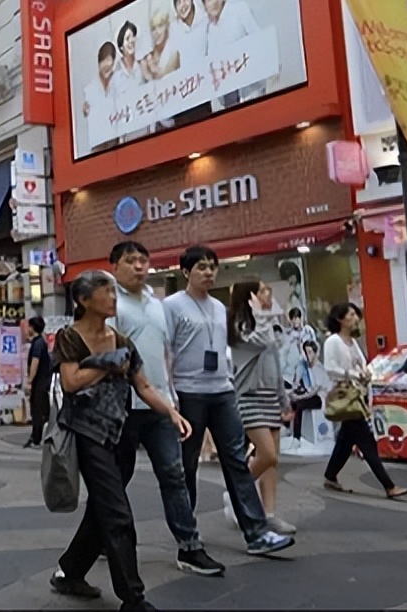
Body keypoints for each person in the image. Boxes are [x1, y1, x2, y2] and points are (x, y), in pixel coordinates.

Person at [48, 270, 191, 611]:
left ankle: (69, 571)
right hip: (87, 433)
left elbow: (143, 386)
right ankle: (133, 597)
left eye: (114, 291)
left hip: (120, 431)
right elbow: (71, 382)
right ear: (84, 300)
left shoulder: (123, 341)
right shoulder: (70, 337)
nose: (113, 297)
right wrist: (106, 364)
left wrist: (171, 413)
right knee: (117, 513)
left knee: (102, 508)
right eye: (105, 291)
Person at [163, 246, 294, 557]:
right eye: (201, 267)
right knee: (187, 464)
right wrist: (169, 396)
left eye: (212, 267)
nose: (208, 272)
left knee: (236, 460)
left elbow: (233, 350)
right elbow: (165, 352)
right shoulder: (172, 306)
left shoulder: (220, 308)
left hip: (222, 391)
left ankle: (257, 532)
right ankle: (187, 531)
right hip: (188, 391)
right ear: (186, 272)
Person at [107, 241, 225, 577]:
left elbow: (165, 354)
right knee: (115, 479)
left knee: (174, 475)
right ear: (115, 266)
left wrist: (171, 399)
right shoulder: (110, 302)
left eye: (144, 260)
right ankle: (100, 538)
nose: (139, 267)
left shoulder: (156, 303)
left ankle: (189, 546)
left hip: (158, 404)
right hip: (121, 407)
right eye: (131, 261)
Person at [227, 279, 296, 535]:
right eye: (264, 290)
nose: (269, 294)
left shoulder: (268, 325)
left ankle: (268, 513)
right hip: (248, 396)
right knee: (267, 454)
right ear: (251, 297)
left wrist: (283, 398)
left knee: (271, 462)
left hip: (269, 396)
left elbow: (274, 364)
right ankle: (237, 494)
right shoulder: (239, 327)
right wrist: (261, 316)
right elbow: (254, 344)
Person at [321, 303, 407, 499]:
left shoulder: (352, 342)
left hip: (358, 396)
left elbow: (363, 366)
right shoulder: (333, 341)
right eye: (351, 314)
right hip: (346, 395)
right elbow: (330, 368)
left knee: (346, 439)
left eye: (355, 314)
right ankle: (388, 485)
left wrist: (369, 374)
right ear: (340, 319)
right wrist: (353, 374)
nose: (355, 318)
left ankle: (330, 475)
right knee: (366, 441)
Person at [290, 340, 327, 445]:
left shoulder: (319, 369)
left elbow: (314, 391)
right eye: (306, 352)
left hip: (319, 398)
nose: (308, 355)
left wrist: (299, 397)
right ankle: (292, 431)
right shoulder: (306, 367)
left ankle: (297, 438)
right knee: (294, 403)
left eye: (310, 352)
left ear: (315, 353)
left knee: (300, 406)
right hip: (309, 395)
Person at [24, 317, 52, 449]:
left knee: (37, 410)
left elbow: (35, 362)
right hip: (43, 381)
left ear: (32, 327)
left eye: (29, 326)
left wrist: (30, 381)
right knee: (40, 410)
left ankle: (36, 438)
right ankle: (37, 436)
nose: (27, 329)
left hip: (39, 382)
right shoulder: (40, 342)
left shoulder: (38, 343)